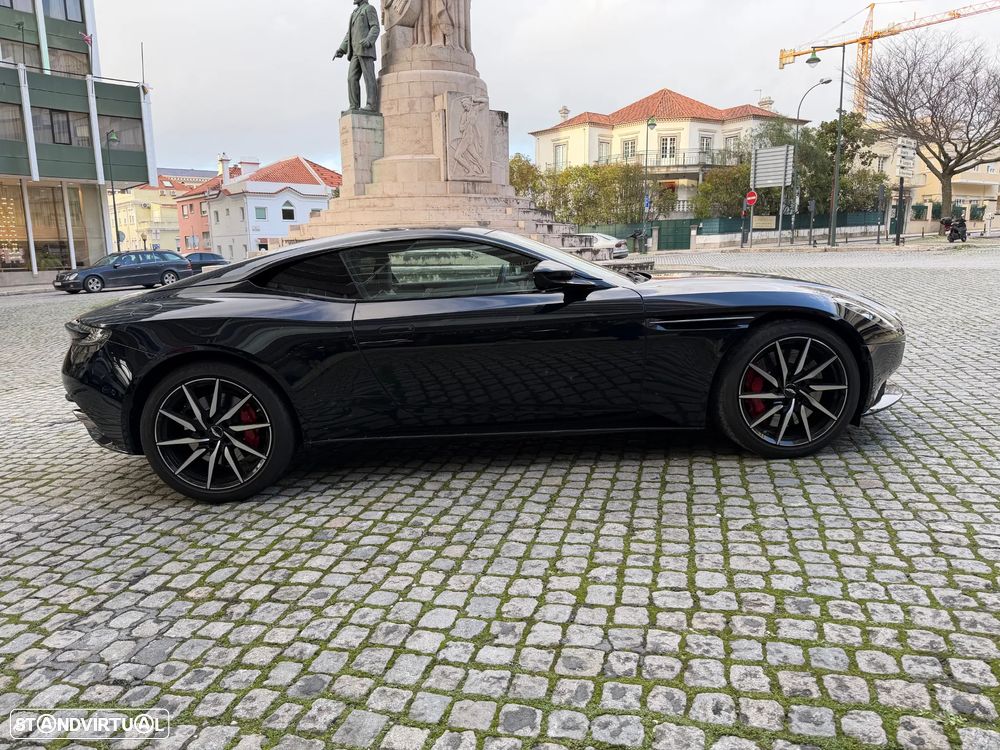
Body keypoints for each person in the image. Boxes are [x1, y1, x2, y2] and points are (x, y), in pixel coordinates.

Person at [334, 0, 380, 111]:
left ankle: (371, 105)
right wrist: (341, 49)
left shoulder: (369, 9)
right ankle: (354, 106)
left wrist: (369, 40)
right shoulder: (354, 13)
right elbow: (349, 34)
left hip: (365, 50)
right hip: (354, 51)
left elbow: (375, 27)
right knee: (351, 78)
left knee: (369, 78)